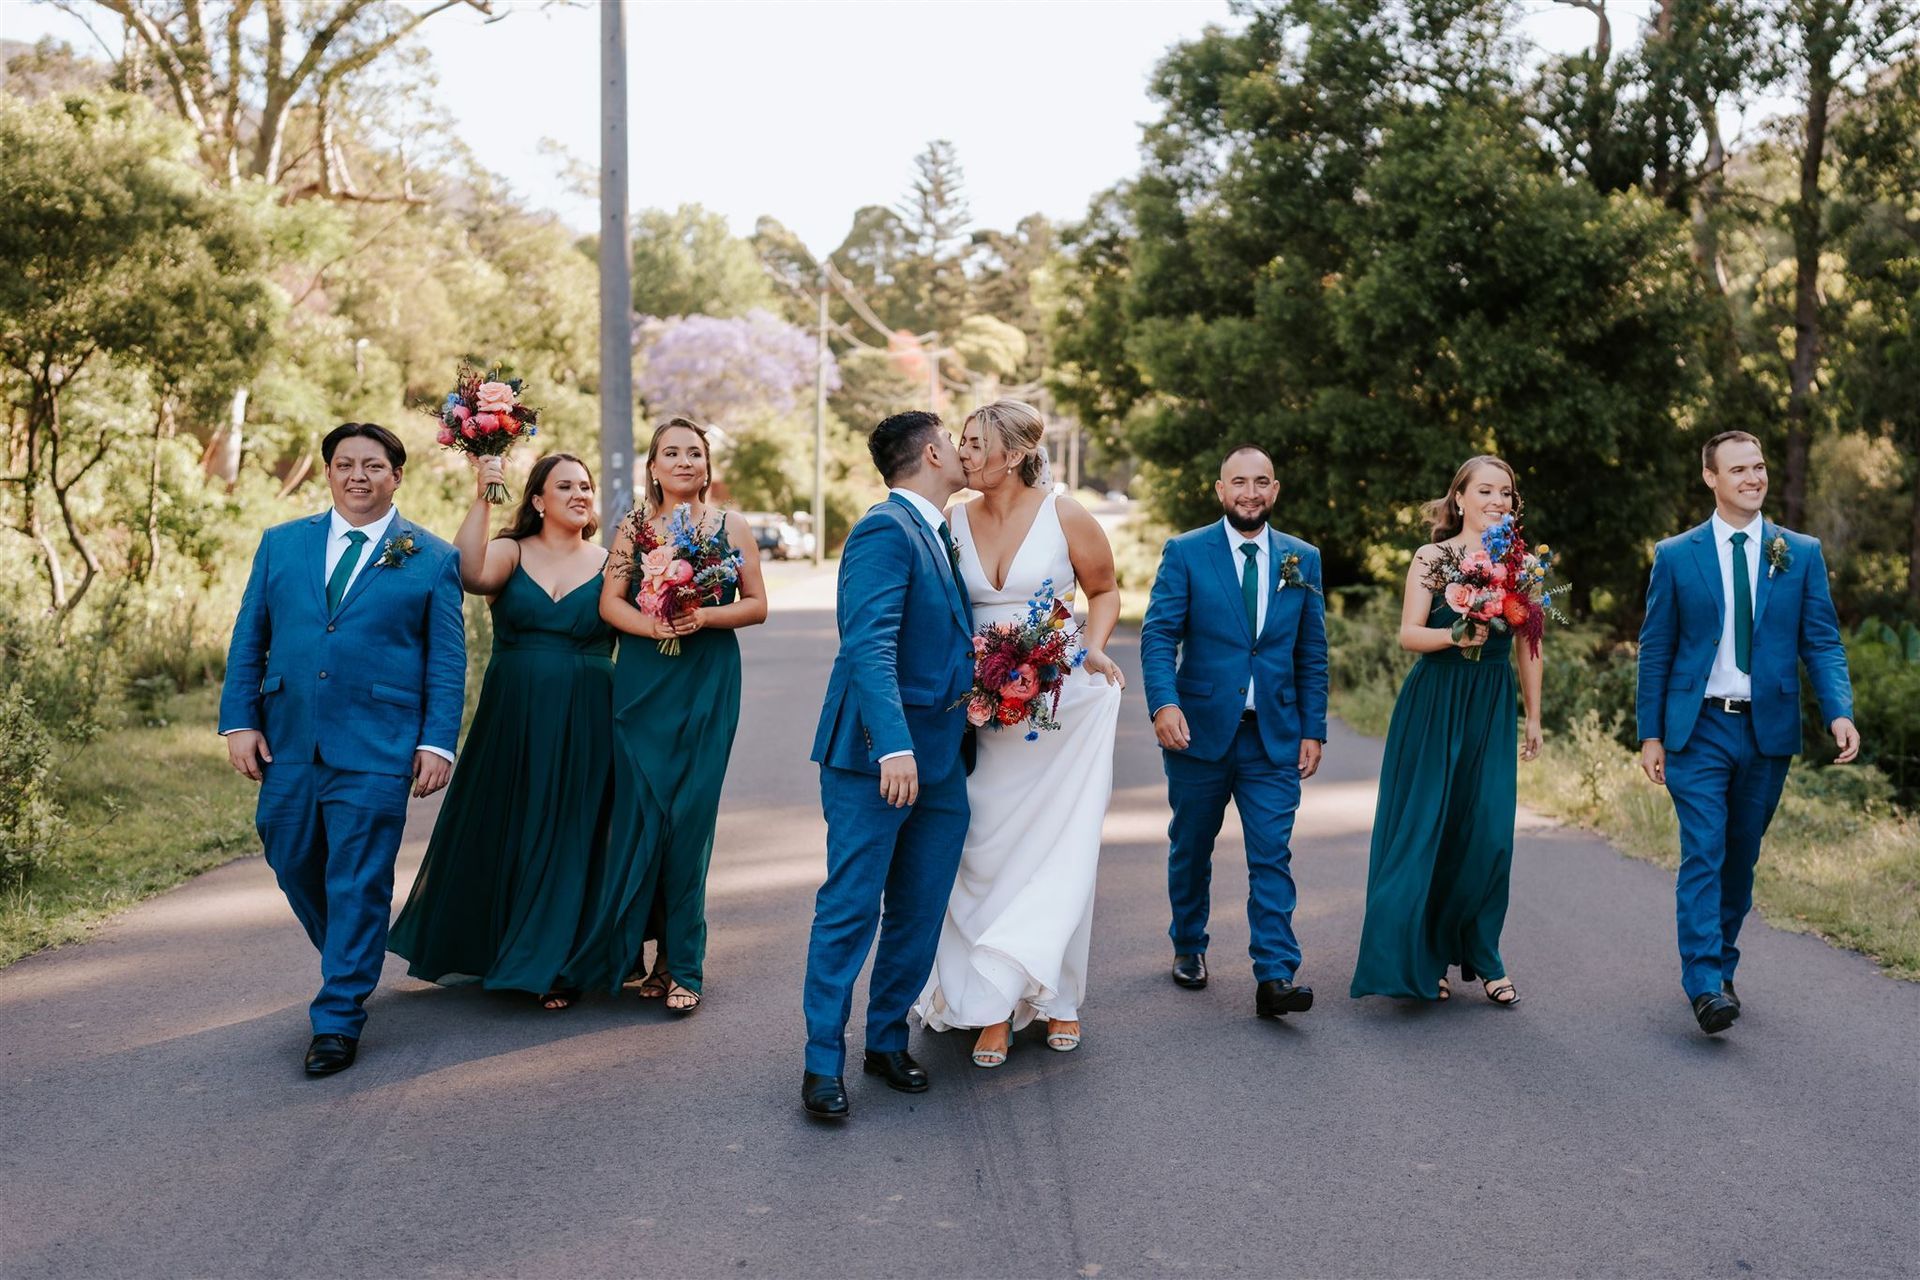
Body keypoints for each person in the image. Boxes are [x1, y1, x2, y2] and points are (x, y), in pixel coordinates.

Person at [219, 422, 464, 1077]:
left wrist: (437, 742)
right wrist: (238, 720)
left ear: (397, 476)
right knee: (290, 852)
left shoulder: (432, 558)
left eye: (374, 465)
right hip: (288, 736)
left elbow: (446, 660)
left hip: (377, 744)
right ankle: (350, 958)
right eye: (347, 464)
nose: (360, 475)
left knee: (357, 880)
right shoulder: (281, 546)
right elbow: (250, 638)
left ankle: (336, 1020)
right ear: (328, 472)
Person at [911, 400, 1125, 1068]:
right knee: (983, 852)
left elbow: (1106, 590)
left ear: (1013, 451)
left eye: (974, 444)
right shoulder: (951, 520)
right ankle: (987, 999)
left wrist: (1091, 648)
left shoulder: (1066, 515)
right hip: (982, 712)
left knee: (1057, 852)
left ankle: (1055, 996)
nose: (962, 454)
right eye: (963, 443)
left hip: (1057, 708)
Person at [1637, 430, 1857, 1035]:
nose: (1753, 478)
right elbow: (1655, 649)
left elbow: (1821, 641)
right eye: (1739, 470)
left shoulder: (1800, 552)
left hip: (1768, 731)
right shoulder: (1677, 555)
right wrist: (1650, 733)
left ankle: (1721, 964)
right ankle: (1705, 983)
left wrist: (1838, 709)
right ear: (1711, 478)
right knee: (1704, 851)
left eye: (1758, 467)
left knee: (1740, 858)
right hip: (1699, 726)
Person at [387, 453, 613, 1011]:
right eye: (566, 486)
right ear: (538, 500)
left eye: (586, 485)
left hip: (590, 713)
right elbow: (467, 573)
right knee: (512, 820)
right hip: (513, 710)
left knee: (571, 828)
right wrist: (483, 491)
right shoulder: (511, 551)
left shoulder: (613, 561)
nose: (580, 493)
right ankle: (501, 946)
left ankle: (555, 961)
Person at [799, 411, 974, 1120]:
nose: (965, 453)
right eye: (956, 443)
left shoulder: (939, 535)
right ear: (932, 453)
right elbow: (867, 643)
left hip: (941, 762)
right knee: (850, 908)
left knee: (919, 909)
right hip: (876, 757)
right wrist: (892, 745)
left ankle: (885, 1039)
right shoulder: (884, 530)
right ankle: (820, 1063)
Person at [563, 418, 767, 1013]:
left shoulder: (731, 525)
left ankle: (683, 964)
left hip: (707, 679)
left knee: (689, 822)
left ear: (706, 466)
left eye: (694, 453)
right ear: (652, 466)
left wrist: (702, 616)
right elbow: (609, 603)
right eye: (670, 452)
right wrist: (653, 625)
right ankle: (631, 954)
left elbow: (756, 605)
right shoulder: (632, 525)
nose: (683, 461)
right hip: (643, 680)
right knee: (639, 817)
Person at [1139, 444, 1329, 1019]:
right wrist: (1162, 705)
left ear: (1275, 490)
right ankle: (1189, 944)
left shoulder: (1303, 558)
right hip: (1198, 732)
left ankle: (1275, 974)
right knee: (1192, 845)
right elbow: (1157, 636)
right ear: (1220, 491)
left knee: (1272, 852)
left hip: (1273, 734)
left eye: (1262, 482)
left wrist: (1313, 728)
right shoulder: (1187, 552)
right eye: (1239, 482)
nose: (1251, 492)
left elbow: (1312, 650)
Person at [1349, 456, 1543, 1006]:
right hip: (1434, 703)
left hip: (1488, 705)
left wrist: (1534, 717)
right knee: (1426, 830)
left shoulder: (1520, 562)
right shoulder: (1433, 557)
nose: (1497, 501)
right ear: (1459, 498)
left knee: (1486, 835)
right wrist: (1459, 636)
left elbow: (1530, 647)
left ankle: (1485, 955)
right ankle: (1423, 956)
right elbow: (1409, 635)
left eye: (1506, 493)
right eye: (1485, 491)